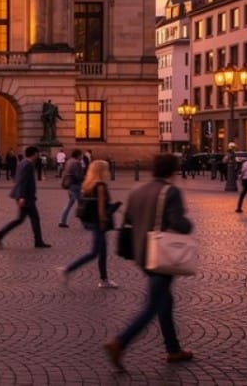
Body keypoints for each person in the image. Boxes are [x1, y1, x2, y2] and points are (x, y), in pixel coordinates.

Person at [104, 154, 194, 372]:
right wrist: (187, 222)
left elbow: (128, 222)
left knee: (165, 300)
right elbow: (179, 224)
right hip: (161, 255)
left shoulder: (137, 190)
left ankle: (173, 349)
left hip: (141, 253)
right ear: (172, 170)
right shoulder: (170, 191)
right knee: (154, 304)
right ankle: (120, 342)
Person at [61, 159, 118, 289]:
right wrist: (104, 221)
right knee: (94, 252)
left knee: (102, 252)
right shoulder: (101, 186)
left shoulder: (88, 184)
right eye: (106, 169)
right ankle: (68, 269)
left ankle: (104, 279)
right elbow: (101, 208)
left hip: (91, 220)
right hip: (99, 222)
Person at [0, 146, 49, 248]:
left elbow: (18, 179)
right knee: (34, 219)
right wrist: (21, 197)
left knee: (21, 219)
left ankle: (1, 233)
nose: (38, 156)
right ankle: (38, 241)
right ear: (34, 154)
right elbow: (22, 181)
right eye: (37, 153)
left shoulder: (23, 163)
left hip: (25, 196)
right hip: (26, 197)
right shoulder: (27, 165)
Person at [58, 148, 85, 227]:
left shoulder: (69, 161)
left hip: (70, 185)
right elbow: (78, 176)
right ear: (78, 155)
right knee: (82, 204)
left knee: (70, 203)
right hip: (76, 185)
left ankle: (62, 221)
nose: (82, 156)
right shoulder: (77, 162)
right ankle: (85, 222)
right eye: (81, 155)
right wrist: (84, 179)